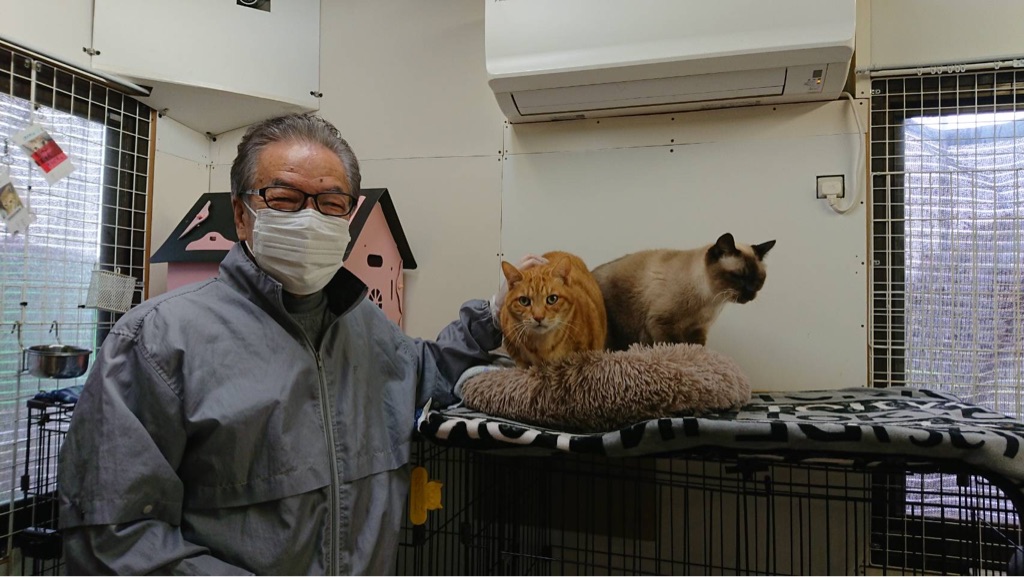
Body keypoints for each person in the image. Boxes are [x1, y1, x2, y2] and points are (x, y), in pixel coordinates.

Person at [58, 113, 541, 575]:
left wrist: (495, 313)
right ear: (241, 215)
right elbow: (114, 540)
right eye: (285, 198)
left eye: (331, 203)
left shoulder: (365, 325)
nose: (310, 218)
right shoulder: (156, 341)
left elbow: (428, 371)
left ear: (348, 217)